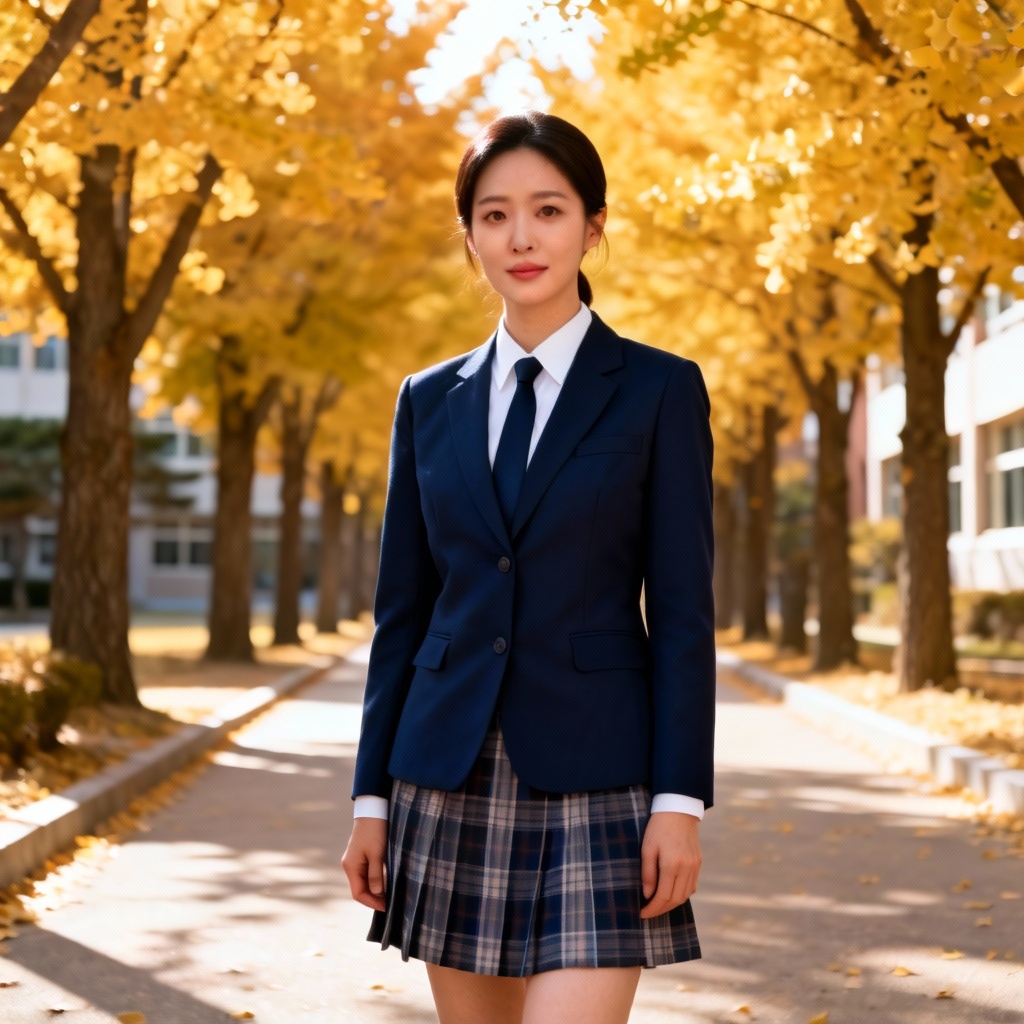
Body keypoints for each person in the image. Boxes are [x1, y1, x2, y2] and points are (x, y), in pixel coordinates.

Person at [342, 110, 715, 1024]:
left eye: (548, 210)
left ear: (593, 226)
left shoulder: (660, 389)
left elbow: (682, 614)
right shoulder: (427, 400)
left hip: (600, 773)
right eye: (495, 214)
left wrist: (681, 801)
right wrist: (368, 800)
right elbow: (402, 615)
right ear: (469, 234)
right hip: (446, 771)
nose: (521, 237)